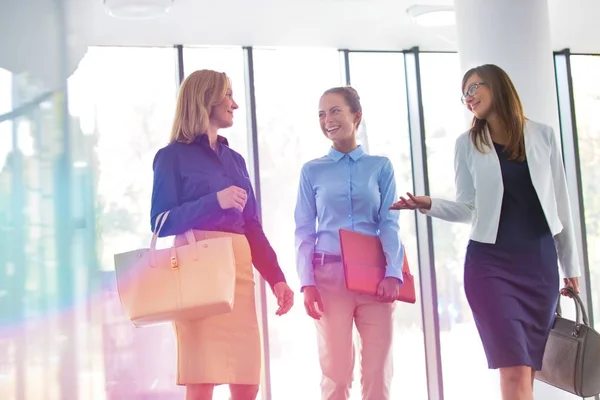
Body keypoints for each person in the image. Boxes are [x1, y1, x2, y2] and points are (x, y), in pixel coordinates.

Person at [390, 64, 581, 400]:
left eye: (474, 87)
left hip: (539, 269)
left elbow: (560, 208)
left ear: (497, 86)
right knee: (512, 370)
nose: (468, 97)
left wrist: (571, 268)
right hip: (491, 267)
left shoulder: (543, 135)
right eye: (464, 93)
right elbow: (468, 209)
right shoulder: (467, 144)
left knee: (528, 372)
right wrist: (429, 204)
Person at [150, 69, 294, 400]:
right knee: (202, 380)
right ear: (206, 99)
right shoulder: (171, 157)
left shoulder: (236, 161)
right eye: (228, 95)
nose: (235, 104)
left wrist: (277, 279)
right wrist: (214, 200)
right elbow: (160, 221)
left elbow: (253, 226)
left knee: (247, 382)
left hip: (239, 273)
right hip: (196, 273)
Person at [294, 86, 404, 400]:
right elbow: (303, 230)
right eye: (321, 113)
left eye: (335, 111)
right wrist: (307, 282)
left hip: (376, 280)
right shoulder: (312, 171)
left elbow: (389, 222)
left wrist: (394, 272)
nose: (327, 119)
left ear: (356, 116)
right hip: (329, 279)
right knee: (337, 378)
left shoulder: (380, 167)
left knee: (377, 377)